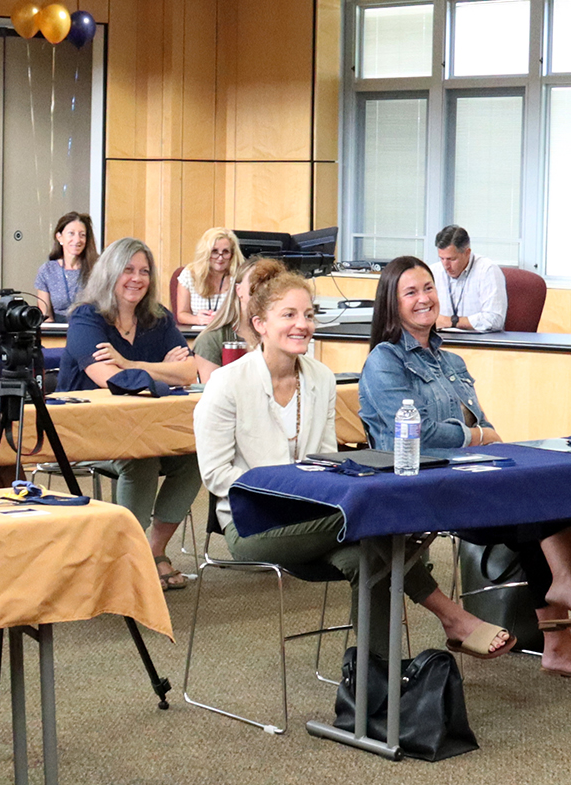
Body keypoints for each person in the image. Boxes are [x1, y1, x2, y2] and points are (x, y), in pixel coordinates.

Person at [195, 270, 515, 662]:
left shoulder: (321, 379)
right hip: (255, 523)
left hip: (319, 515)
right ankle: (452, 618)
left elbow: (327, 459)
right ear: (260, 324)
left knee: (369, 555)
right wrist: (287, 494)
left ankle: (373, 684)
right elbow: (214, 475)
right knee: (374, 519)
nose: (302, 324)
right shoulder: (227, 383)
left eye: (309, 315)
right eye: (289, 315)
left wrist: (315, 495)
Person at [360, 256, 571, 681]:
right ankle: (562, 621)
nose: (425, 298)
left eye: (429, 287)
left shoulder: (453, 363)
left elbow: (482, 424)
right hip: (419, 485)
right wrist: (477, 437)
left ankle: (562, 611)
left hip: (472, 474)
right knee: (530, 507)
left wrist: (479, 436)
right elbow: (417, 436)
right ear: (391, 304)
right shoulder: (384, 361)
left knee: (549, 483)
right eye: (411, 292)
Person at [59, 238, 201, 589]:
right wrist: (157, 370)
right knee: (141, 458)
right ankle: (126, 560)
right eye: (128, 270)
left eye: (144, 271)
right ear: (110, 272)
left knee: (195, 454)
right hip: (87, 431)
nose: (137, 278)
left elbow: (189, 372)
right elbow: (111, 381)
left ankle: (153, 551)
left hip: (148, 427)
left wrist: (131, 363)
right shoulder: (86, 318)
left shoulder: (158, 318)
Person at [191, 256, 287, 380]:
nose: (264, 290)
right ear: (239, 290)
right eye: (257, 283)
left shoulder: (283, 335)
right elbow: (213, 394)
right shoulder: (211, 340)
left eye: (271, 285)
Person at [429, 226, 508, 333]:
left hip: (479, 343)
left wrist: (451, 322)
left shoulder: (487, 270)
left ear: (467, 252)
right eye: (442, 258)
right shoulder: (433, 271)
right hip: (441, 340)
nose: (445, 265)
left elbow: (495, 319)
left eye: (451, 259)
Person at [35, 212, 97, 322]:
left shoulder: (97, 269)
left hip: (90, 327)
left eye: (82, 235)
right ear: (59, 237)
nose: (77, 240)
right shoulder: (47, 270)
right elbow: (46, 316)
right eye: (71, 233)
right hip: (57, 332)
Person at [176, 226, 238, 328]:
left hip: (230, 334)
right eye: (214, 252)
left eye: (225, 252)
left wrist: (226, 318)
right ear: (206, 253)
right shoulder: (189, 275)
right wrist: (198, 319)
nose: (220, 258)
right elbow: (182, 314)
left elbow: (248, 313)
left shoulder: (239, 276)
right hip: (200, 334)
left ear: (232, 254)